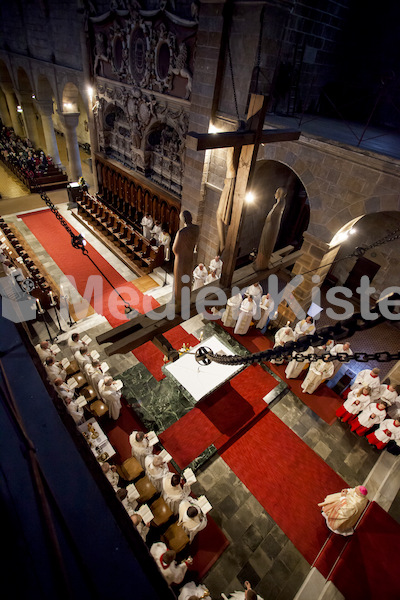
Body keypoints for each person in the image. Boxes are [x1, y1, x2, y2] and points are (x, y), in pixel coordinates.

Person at [253, 187, 287, 272]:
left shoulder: (279, 204)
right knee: (263, 245)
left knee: (265, 245)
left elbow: (272, 217)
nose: (275, 194)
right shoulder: (280, 203)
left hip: (270, 229)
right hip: (269, 227)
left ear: (279, 194)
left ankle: (261, 264)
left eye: (276, 192)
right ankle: (259, 262)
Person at [173, 210, 199, 306]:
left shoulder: (182, 232)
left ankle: (179, 302)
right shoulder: (196, 229)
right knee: (188, 278)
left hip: (181, 259)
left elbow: (175, 249)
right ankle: (187, 298)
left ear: (183, 219)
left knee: (179, 280)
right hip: (190, 257)